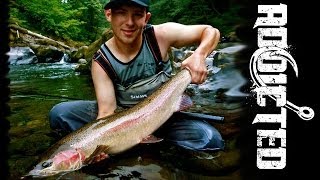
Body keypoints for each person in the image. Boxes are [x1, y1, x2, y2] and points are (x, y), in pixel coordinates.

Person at [49, 0, 224, 162]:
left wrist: (199, 55)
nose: (129, 22)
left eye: (137, 14)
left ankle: (144, 147)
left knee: (209, 140)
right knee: (60, 114)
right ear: (108, 14)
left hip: (166, 113)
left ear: (146, 18)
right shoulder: (101, 61)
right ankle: (137, 143)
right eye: (122, 13)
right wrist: (101, 144)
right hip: (123, 118)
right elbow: (107, 114)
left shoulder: (160, 36)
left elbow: (211, 31)